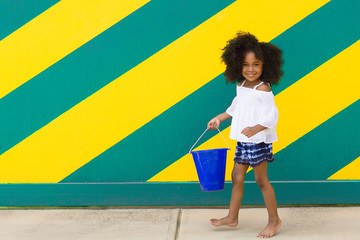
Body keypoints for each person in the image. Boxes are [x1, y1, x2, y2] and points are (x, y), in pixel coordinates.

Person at [207, 32, 283, 238]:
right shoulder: (241, 85)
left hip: (258, 141)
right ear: (237, 65)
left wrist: (256, 128)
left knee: (261, 180)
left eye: (256, 64)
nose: (251, 69)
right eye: (246, 65)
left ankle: (274, 220)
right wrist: (219, 118)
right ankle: (232, 217)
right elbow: (235, 108)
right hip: (244, 140)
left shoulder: (263, 88)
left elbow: (271, 116)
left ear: (264, 66)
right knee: (236, 177)